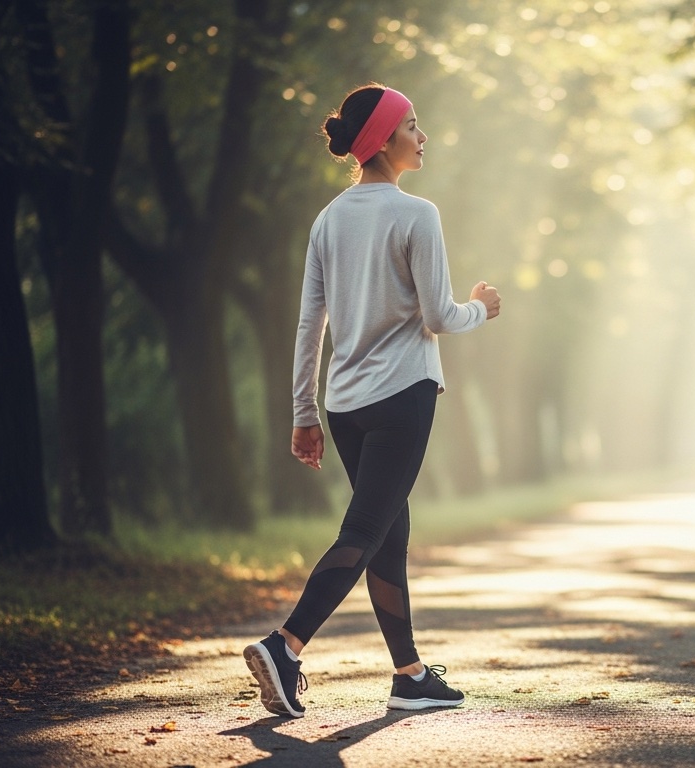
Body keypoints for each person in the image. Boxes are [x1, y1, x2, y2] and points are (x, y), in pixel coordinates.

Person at [243, 83, 501, 719]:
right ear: (385, 141)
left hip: (345, 404)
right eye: (413, 125)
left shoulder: (328, 220)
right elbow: (440, 316)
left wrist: (305, 413)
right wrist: (481, 309)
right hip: (403, 395)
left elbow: (311, 326)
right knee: (366, 527)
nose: (423, 135)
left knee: (389, 527)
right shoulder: (417, 214)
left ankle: (409, 674)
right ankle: (286, 645)